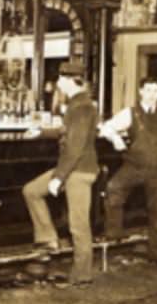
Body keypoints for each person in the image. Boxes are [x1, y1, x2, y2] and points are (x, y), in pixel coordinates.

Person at [22, 61, 99, 286]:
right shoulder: (78, 104)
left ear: (68, 81)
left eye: (59, 79)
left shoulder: (82, 107)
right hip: (72, 168)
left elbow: (75, 146)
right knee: (31, 191)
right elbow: (67, 132)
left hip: (79, 171)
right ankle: (47, 240)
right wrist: (41, 132)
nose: (57, 83)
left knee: (78, 225)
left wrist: (59, 177)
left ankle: (82, 275)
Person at [98, 76, 157, 269]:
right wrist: (115, 138)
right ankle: (114, 234)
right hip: (134, 167)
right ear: (141, 92)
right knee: (113, 188)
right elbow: (105, 127)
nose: (152, 95)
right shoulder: (130, 113)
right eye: (148, 90)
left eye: (156, 91)